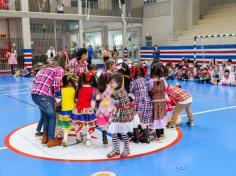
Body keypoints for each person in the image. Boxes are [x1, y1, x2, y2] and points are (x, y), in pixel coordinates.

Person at [31, 54, 65, 147]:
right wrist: (59, 98)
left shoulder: (45, 67)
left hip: (34, 93)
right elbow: (56, 85)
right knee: (52, 116)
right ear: (63, 61)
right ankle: (51, 140)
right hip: (44, 95)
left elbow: (35, 80)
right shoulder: (59, 69)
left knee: (46, 115)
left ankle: (45, 137)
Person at [107, 73, 135, 158]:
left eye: (112, 83)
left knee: (123, 133)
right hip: (117, 113)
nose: (110, 85)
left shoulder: (119, 92)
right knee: (114, 132)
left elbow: (121, 103)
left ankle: (126, 149)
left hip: (122, 114)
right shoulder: (118, 90)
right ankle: (116, 149)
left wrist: (110, 101)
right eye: (110, 83)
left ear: (118, 83)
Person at [71, 71, 97, 146]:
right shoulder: (94, 90)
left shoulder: (78, 88)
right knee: (89, 124)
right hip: (88, 109)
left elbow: (76, 99)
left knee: (77, 123)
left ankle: (78, 136)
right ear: (92, 80)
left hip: (77, 109)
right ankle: (88, 139)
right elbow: (93, 102)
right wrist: (92, 109)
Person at [130, 63, 153, 143]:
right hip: (147, 101)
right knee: (144, 120)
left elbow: (131, 91)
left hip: (138, 102)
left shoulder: (134, 82)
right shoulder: (146, 80)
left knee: (135, 120)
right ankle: (146, 138)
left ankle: (136, 138)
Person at [150, 63, 168, 142]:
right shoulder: (163, 80)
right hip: (162, 101)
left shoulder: (151, 81)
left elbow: (149, 90)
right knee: (161, 117)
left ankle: (158, 136)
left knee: (156, 118)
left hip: (155, 102)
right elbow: (166, 87)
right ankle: (162, 133)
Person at [56, 75, 76, 146]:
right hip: (73, 111)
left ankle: (64, 138)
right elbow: (75, 99)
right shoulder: (73, 89)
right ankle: (79, 137)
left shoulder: (60, 91)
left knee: (65, 126)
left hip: (64, 111)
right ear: (70, 83)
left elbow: (57, 100)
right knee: (75, 124)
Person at [96, 72, 114, 145]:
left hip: (102, 106)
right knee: (108, 121)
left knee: (104, 124)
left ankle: (104, 138)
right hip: (110, 105)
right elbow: (113, 95)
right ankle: (107, 137)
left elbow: (97, 98)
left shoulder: (99, 88)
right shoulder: (111, 87)